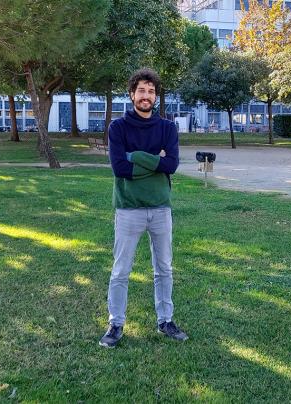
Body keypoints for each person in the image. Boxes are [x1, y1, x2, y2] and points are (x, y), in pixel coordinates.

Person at [99, 68, 188, 348]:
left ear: (156, 96)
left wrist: (136, 157)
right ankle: (115, 324)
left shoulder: (167, 128)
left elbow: (171, 165)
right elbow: (120, 168)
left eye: (151, 91)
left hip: (161, 209)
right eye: (141, 90)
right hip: (128, 209)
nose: (146, 96)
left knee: (164, 269)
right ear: (132, 94)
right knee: (121, 270)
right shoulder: (118, 128)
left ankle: (165, 321)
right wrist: (154, 159)